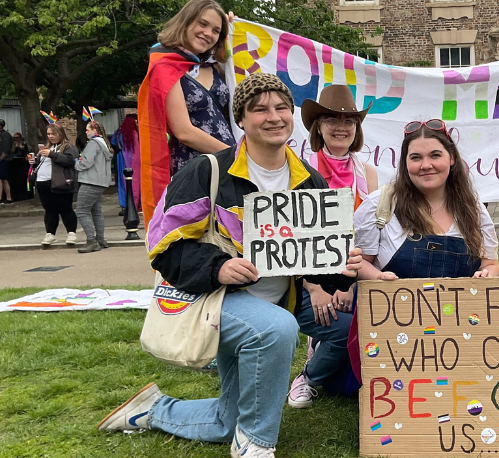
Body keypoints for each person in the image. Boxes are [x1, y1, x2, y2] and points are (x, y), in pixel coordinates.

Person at [97, 73, 364, 458]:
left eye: (281, 108)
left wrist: (343, 265)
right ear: (241, 118)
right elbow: (162, 245)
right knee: (277, 327)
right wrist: (218, 266)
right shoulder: (208, 171)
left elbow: (315, 266)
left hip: (275, 303)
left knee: (226, 421)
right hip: (218, 303)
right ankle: (255, 444)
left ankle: (152, 410)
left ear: (291, 115)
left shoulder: (310, 181)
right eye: (260, 109)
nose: (273, 117)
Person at [340, 119, 499, 391]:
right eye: (416, 158)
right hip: (395, 329)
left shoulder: (473, 209)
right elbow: (359, 263)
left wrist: (487, 276)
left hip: (458, 329)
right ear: (405, 164)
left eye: (435, 155)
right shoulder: (379, 205)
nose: (426, 165)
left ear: (451, 159)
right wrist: (377, 277)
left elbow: (491, 263)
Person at [286, 84, 378, 408]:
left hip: (357, 271)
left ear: (357, 129)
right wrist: (314, 288)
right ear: (318, 126)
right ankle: (308, 377)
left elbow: (371, 235)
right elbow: (294, 238)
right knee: (339, 326)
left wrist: (352, 282)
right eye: (332, 119)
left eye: (349, 121)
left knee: (367, 326)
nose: (341, 127)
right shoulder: (298, 170)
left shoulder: (368, 173)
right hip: (314, 278)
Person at [138, 0, 234, 229]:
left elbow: (231, 58)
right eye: (203, 24)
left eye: (216, 30)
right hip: (195, 166)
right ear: (186, 21)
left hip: (226, 166)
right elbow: (184, 131)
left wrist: (235, 31)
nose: (208, 33)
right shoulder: (165, 65)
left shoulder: (212, 66)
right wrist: (238, 155)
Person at [29, 123, 78, 246]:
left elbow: (70, 160)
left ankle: (71, 232)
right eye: (48, 134)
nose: (50, 136)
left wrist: (52, 155)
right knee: (49, 210)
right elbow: (41, 164)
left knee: (65, 208)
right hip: (42, 182)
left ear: (60, 134)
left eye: (53, 134)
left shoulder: (68, 147)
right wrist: (34, 161)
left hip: (60, 182)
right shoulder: (47, 147)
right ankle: (50, 234)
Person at [74, 121, 114, 253]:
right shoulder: (104, 144)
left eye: (87, 130)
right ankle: (101, 239)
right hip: (101, 181)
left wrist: (76, 164)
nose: (86, 132)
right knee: (96, 212)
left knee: (81, 211)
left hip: (90, 181)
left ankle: (91, 241)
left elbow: (86, 162)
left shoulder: (93, 144)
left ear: (94, 130)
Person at [0, 119, 12, 203]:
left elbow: (5, 149)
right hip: (2, 160)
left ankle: (8, 197)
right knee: (1, 179)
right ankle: (2, 197)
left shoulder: (5, 135)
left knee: (3, 178)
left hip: (4, 160)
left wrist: (0, 158)